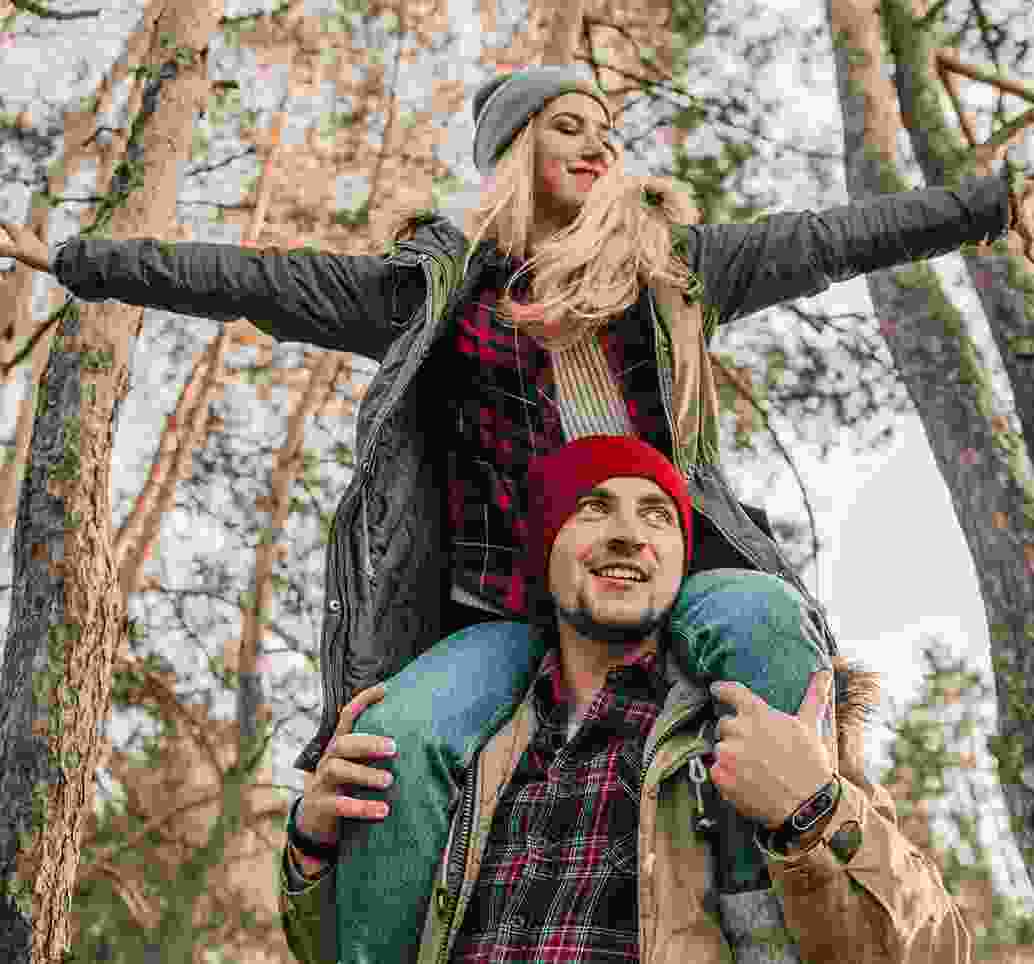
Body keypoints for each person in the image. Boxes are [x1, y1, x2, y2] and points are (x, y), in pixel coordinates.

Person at [1, 61, 1010, 962]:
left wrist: (986, 204)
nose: (598, 144)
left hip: (670, 569)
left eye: (608, 132)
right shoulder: (432, 293)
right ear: (517, 146)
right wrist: (83, 264)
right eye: (569, 124)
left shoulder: (675, 272)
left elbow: (834, 238)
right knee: (395, 739)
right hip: (500, 609)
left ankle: (761, 919)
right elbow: (256, 280)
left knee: (762, 623)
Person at [282, 435, 970, 964]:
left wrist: (814, 810)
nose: (627, 533)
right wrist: (312, 849)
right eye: (592, 507)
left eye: (657, 516)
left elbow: (936, 949)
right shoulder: (460, 742)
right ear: (545, 553)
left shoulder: (759, 733)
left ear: (680, 558)